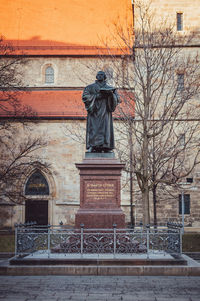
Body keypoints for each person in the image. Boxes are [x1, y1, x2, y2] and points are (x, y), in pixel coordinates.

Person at [82, 70, 120, 153]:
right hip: (94, 111)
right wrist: (97, 96)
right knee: (94, 129)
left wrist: (111, 95)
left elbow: (117, 98)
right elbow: (85, 96)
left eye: (101, 75)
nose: (99, 76)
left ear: (104, 77)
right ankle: (92, 146)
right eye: (98, 75)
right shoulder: (90, 87)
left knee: (106, 129)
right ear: (96, 76)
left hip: (105, 111)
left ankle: (106, 146)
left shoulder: (110, 88)